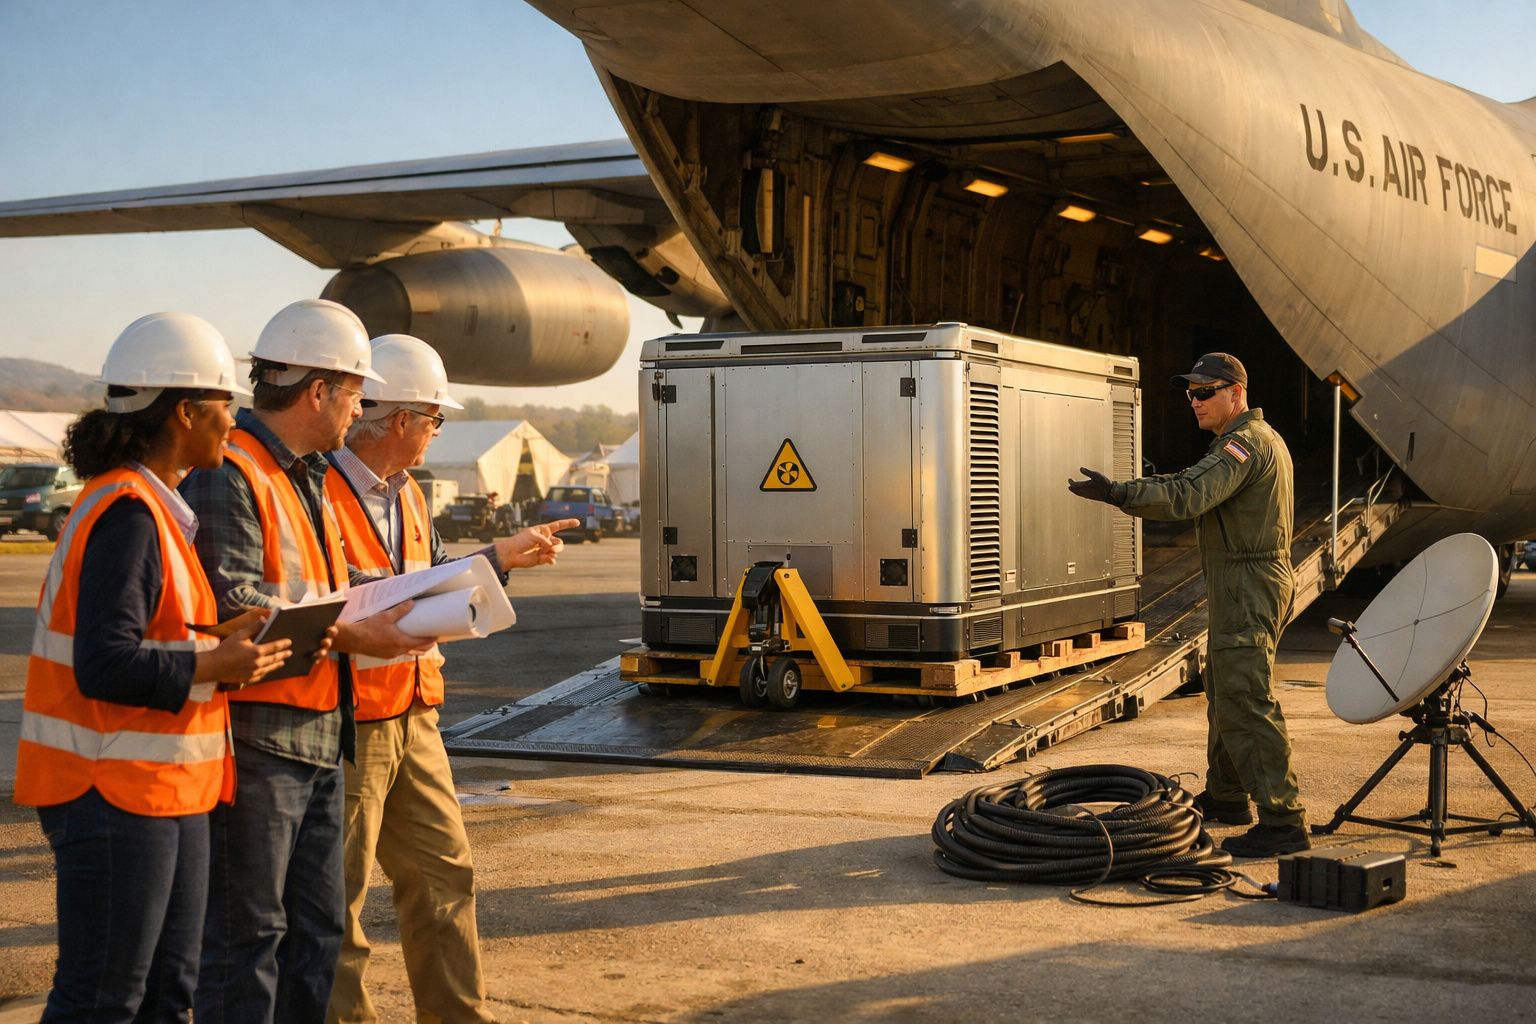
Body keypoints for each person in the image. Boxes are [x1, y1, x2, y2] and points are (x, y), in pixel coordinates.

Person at [14, 312, 295, 1022]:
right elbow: (104, 664)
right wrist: (214, 660)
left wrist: (222, 641)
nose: (234, 422)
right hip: (111, 791)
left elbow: (151, 634)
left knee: (168, 996)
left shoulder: (153, 511)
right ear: (184, 413)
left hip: (162, 793)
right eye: (224, 405)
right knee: (104, 1000)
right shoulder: (130, 515)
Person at [180, 299, 432, 1024]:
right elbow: (237, 603)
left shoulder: (308, 472)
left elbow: (326, 587)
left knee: (316, 937)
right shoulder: (228, 469)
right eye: (357, 392)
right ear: (318, 391)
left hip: (321, 736)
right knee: (246, 941)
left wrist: (414, 596)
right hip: (261, 742)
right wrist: (360, 635)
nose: (362, 409)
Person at [322, 334, 578, 1024]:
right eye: (435, 419)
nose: (437, 433)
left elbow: (427, 578)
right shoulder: (313, 489)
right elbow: (340, 599)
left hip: (413, 711)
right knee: (333, 900)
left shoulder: (407, 497)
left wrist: (501, 562)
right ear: (402, 420)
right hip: (348, 719)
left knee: (445, 877)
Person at [1067, 352, 1308, 858]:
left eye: (1204, 393)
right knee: (1225, 687)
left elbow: (1189, 494)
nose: (1193, 402)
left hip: (1249, 581)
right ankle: (1227, 797)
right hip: (1241, 580)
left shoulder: (1243, 445)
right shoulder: (1246, 442)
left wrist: (1119, 493)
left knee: (1246, 697)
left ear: (1235, 393)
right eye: (1189, 394)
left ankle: (1283, 820)